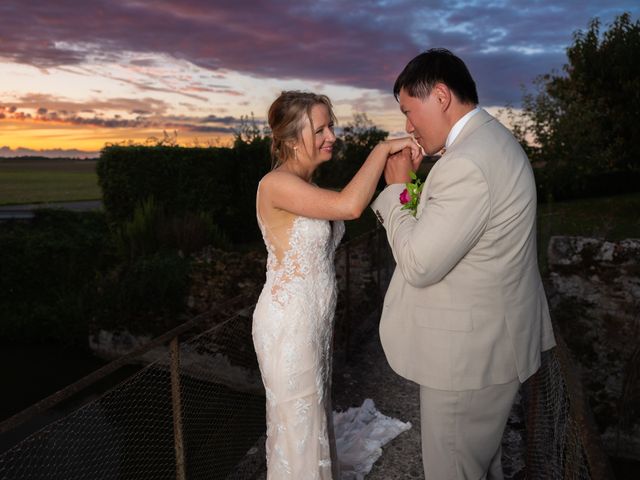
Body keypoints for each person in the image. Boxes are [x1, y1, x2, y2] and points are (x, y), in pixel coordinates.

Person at [371, 49, 556, 479]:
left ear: (439, 95)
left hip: (467, 361)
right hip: (489, 348)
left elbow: (418, 263)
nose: (407, 126)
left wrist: (397, 191)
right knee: (478, 467)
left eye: (408, 110)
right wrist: (415, 184)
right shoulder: (488, 142)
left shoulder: (467, 163)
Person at [252, 90, 420, 479]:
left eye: (332, 126)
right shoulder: (275, 184)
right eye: (321, 128)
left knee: (312, 416)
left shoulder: (308, 187)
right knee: (297, 422)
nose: (332, 136)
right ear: (292, 138)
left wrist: (406, 178)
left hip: (314, 321)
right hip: (287, 325)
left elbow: (361, 201)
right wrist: (382, 150)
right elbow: (350, 206)